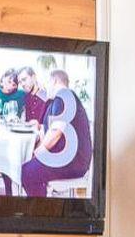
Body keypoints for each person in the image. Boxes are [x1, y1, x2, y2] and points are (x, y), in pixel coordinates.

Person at [22, 67, 93, 197]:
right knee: (30, 168)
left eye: (47, 82)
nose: (45, 87)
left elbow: (56, 132)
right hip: (69, 160)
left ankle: (41, 208)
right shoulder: (60, 100)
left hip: (72, 162)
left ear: (54, 81)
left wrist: (37, 153)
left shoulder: (64, 95)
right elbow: (51, 130)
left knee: (27, 172)